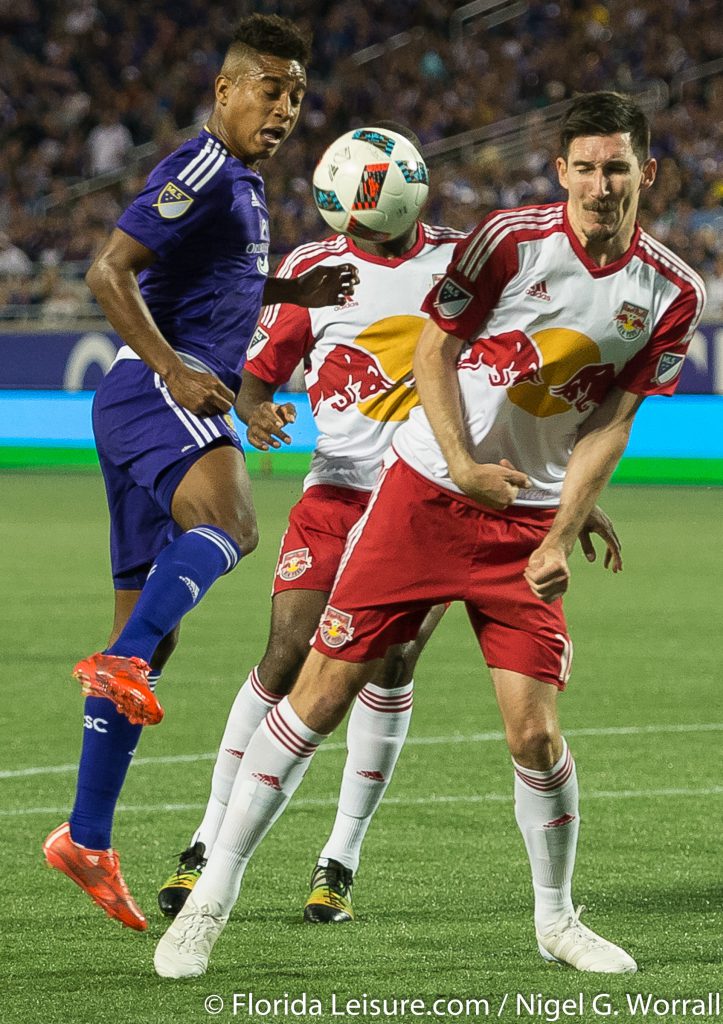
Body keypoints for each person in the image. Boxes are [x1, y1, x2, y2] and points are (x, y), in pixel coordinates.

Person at [155, 97, 661, 976]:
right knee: (307, 683)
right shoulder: (502, 241)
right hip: (413, 492)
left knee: (530, 735)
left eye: (615, 167)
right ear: (560, 173)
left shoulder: (666, 288)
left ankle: (547, 918)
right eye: (584, 166)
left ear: (644, 174)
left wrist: (571, 509)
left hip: (522, 518)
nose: (600, 183)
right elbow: (430, 351)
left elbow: (605, 417)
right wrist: (459, 465)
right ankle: (211, 891)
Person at [42, 13, 358, 933]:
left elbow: (209, 276)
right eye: (270, 87)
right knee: (235, 523)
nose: (285, 106)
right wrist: (179, 368)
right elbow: (110, 272)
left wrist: (287, 293)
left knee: (157, 633)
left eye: (296, 92)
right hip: (154, 386)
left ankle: (87, 838)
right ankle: (123, 659)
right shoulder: (201, 167)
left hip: (149, 396)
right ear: (224, 90)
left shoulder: (243, 189)